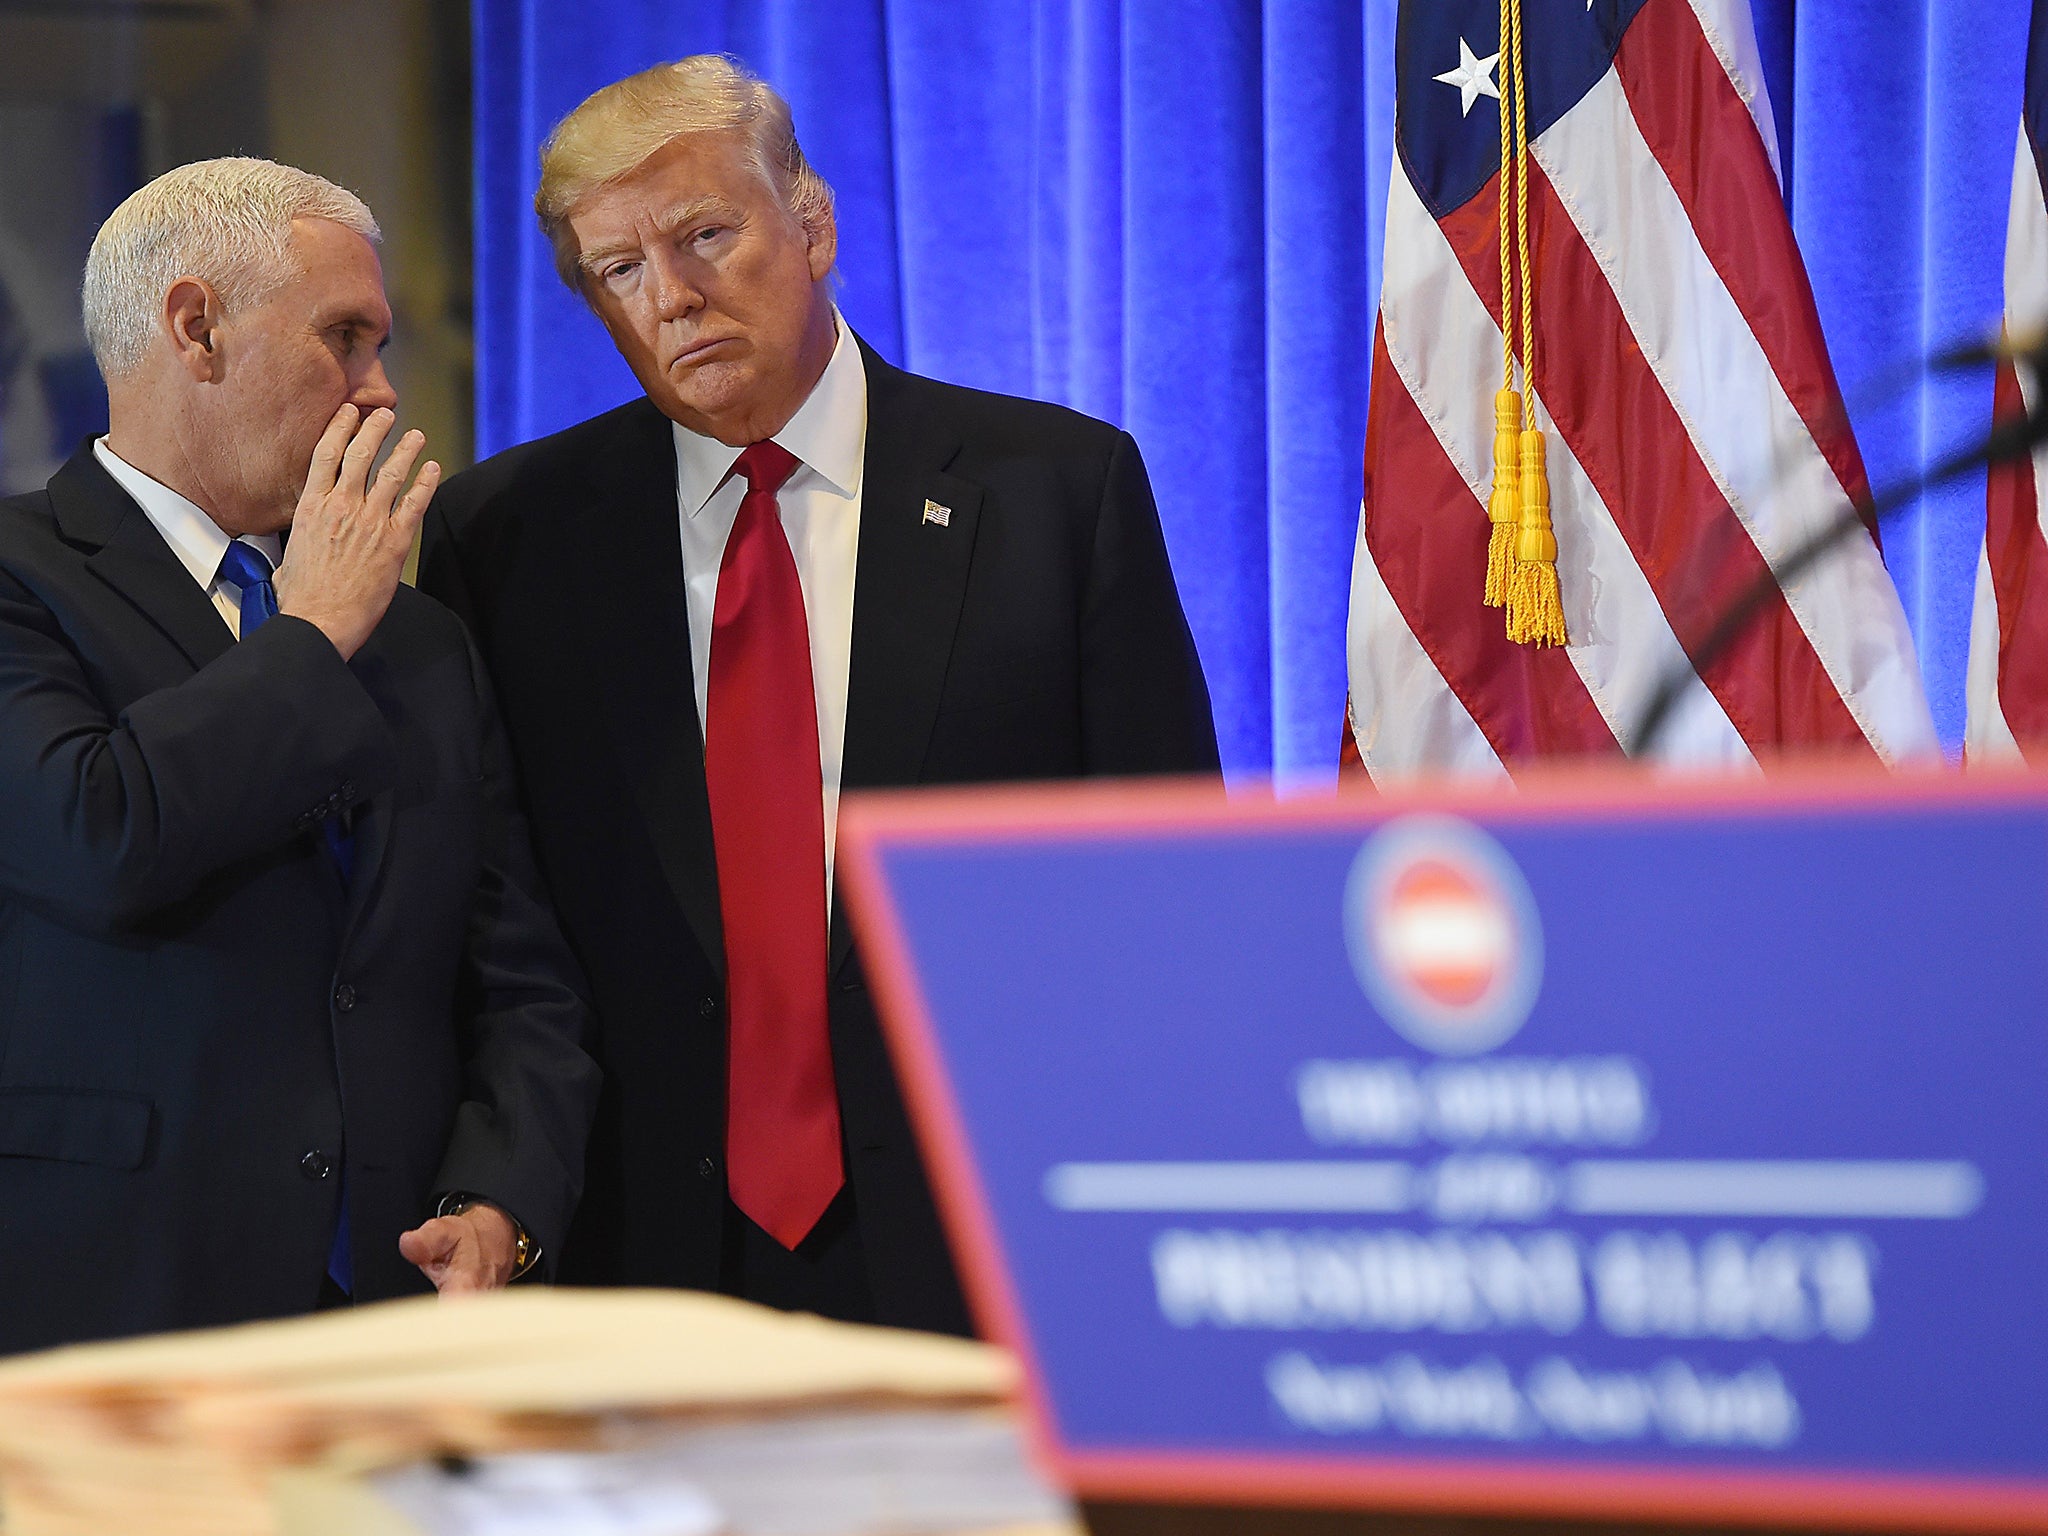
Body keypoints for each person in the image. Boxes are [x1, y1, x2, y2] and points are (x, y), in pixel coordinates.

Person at [420, 57, 1219, 1337]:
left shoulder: (1054, 491)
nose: (671, 298)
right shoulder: (505, 537)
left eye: (704, 236)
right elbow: (488, 917)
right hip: (641, 1257)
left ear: (812, 224)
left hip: (993, 1246)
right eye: (618, 271)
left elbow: (1158, 884)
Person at [0, 158, 600, 1355]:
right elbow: (98, 832)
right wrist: (315, 632)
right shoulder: (25, 577)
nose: (381, 393)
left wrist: (502, 1197)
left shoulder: (420, 636)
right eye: (346, 338)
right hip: (106, 1303)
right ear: (196, 327)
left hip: (391, 1311)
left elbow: (519, 971)